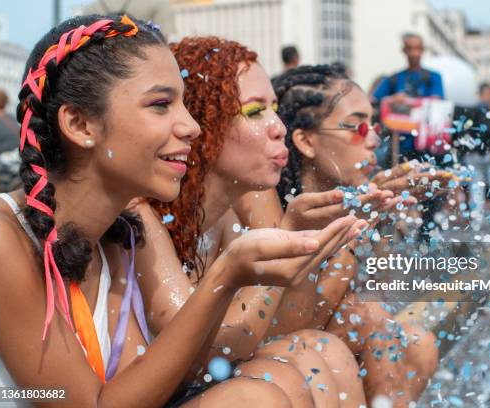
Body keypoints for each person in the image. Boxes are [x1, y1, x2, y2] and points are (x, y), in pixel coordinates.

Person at [0, 15, 357, 407]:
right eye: (161, 104)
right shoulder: (2, 238)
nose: (193, 127)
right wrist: (226, 275)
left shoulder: (117, 236)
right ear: (80, 124)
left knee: (274, 382)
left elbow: (137, 387)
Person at [132, 37, 368, 407]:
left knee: (319, 350)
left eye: (274, 110)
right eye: (256, 111)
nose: (278, 127)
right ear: (204, 122)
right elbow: (212, 355)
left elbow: (291, 323)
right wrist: (291, 238)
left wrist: (333, 239)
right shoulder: (143, 214)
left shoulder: (243, 196)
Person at [234, 65, 443, 407]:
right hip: (260, 363)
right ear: (305, 141)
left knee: (413, 342)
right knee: (369, 321)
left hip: (309, 349)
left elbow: (378, 292)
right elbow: (290, 325)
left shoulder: (347, 195)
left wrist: (380, 215)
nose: (373, 139)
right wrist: (359, 220)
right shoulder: (264, 196)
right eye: (358, 126)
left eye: (374, 126)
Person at [371, 32, 445, 163]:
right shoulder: (393, 79)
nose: (414, 53)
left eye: (417, 48)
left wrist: (407, 102)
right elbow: (373, 100)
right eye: (410, 48)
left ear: (423, 50)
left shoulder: (433, 77)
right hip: (399, 147)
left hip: (427, 147)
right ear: (404, 50)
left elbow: (437, 103)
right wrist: (392, 99)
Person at [463, 82, 490, 230]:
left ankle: (479, 218)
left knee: (477, 187)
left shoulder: (472, 110)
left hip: (476, 155)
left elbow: (465, 133)